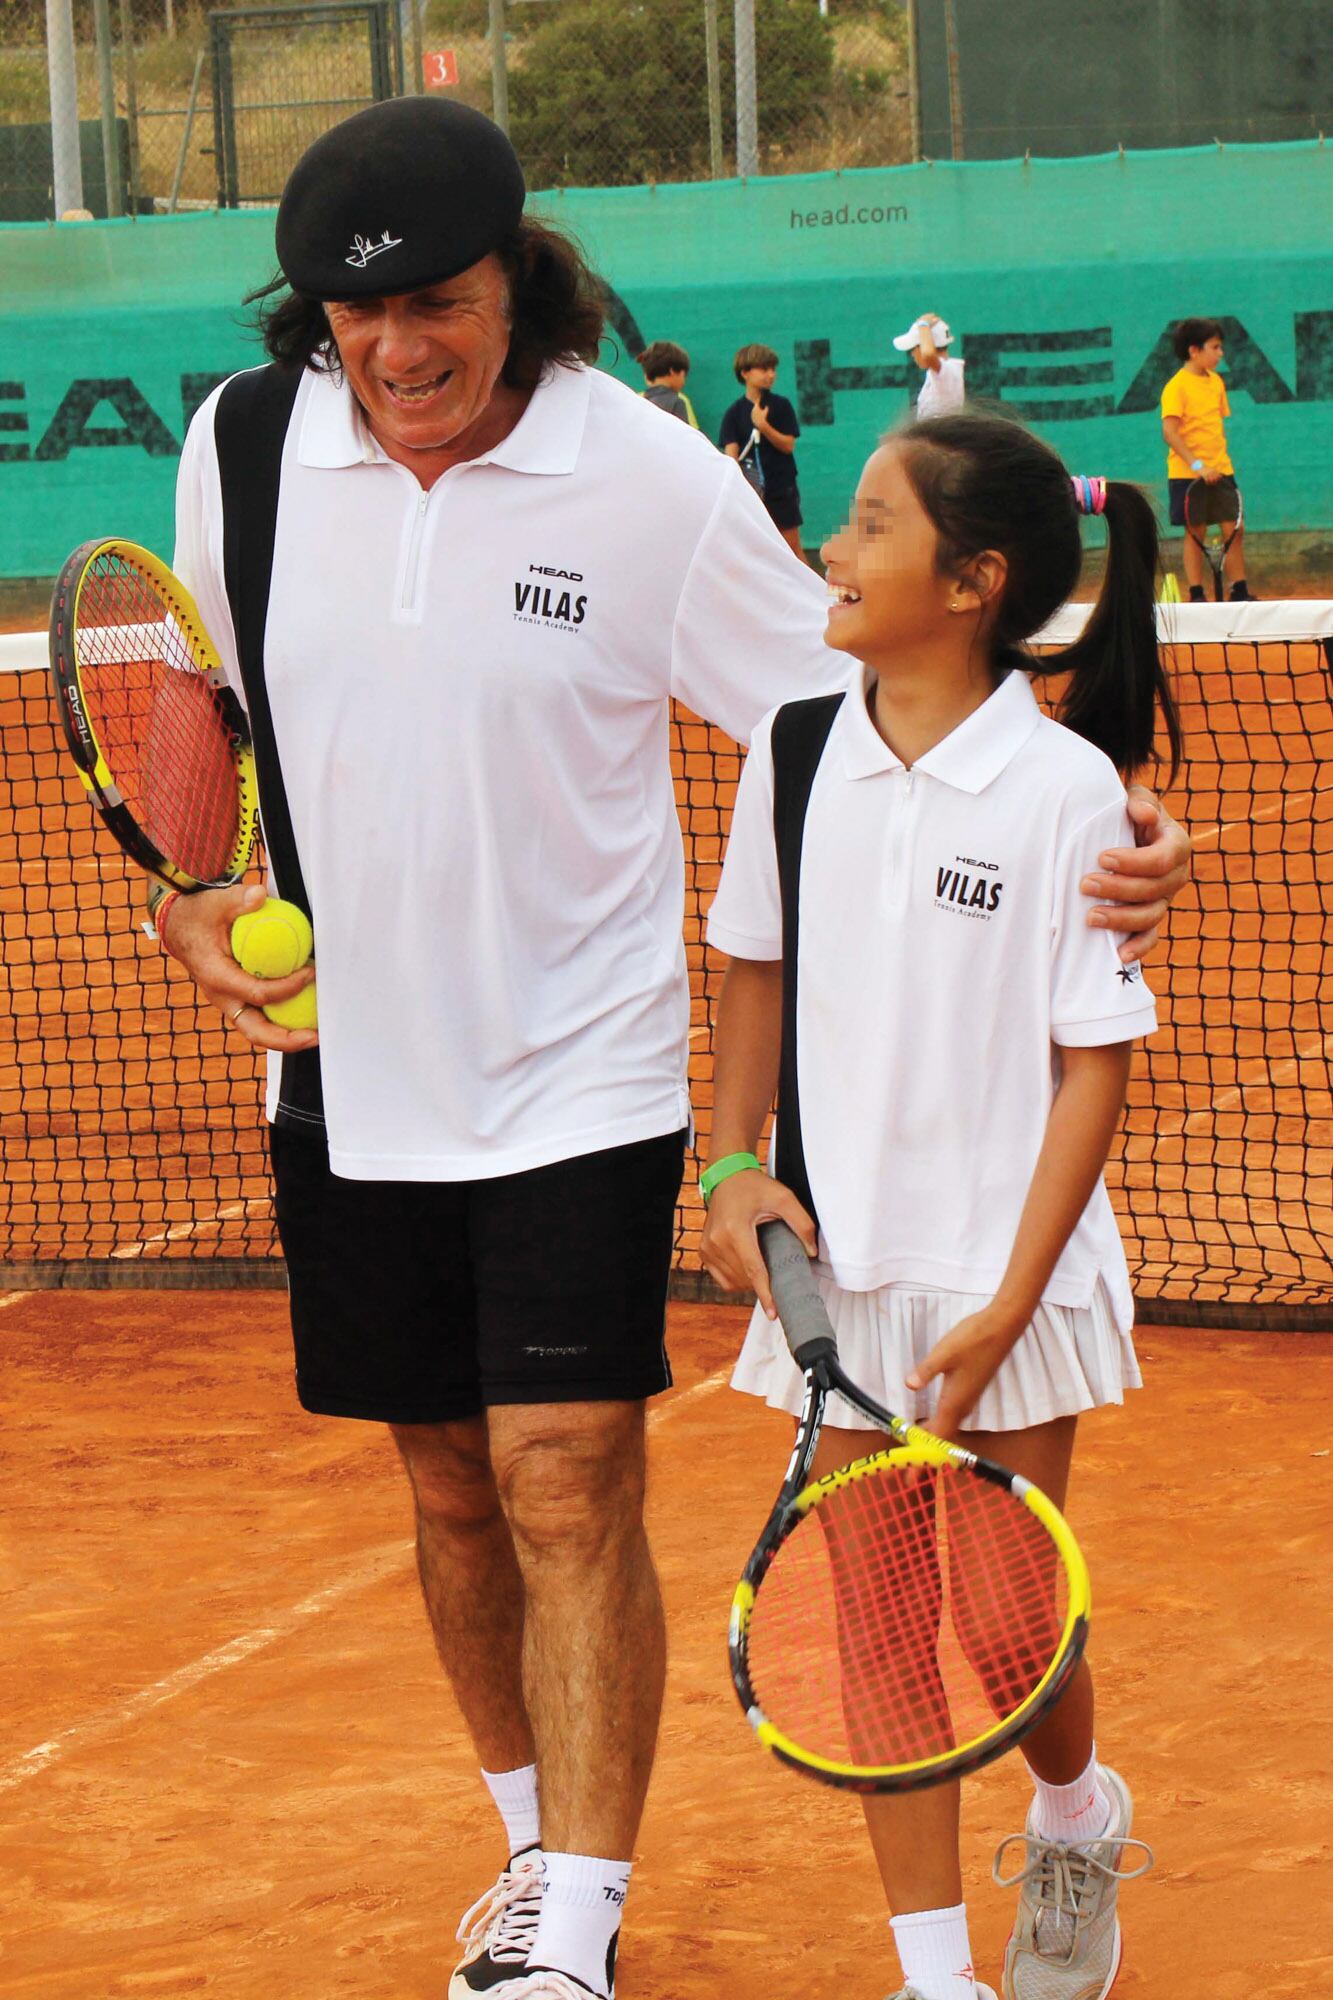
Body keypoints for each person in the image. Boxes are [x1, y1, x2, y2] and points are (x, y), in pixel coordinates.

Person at [151, 94, 1190, 2000]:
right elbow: (199, 693)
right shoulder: (238, 447)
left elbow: (863, 702)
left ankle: (579, 1922)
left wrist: (1102, 824)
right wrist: (190, 884)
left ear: (517, 284)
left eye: (436, 309)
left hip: (584, 1073)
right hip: (344, 1082)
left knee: (561, 1469)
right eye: (345, 324)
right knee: (449, 1488)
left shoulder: (642, 480)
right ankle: (528, 1852)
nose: (393, 356)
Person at [699, 417, 1171, 2000]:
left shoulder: (1065, 793)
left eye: (867, 526)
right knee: (885, 1627)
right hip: (842, 1278)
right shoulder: (792, 749)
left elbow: (1090, 1070)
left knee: (1010, 1634)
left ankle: (1073, 1809)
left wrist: (1014, 1299)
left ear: (970, 584)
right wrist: (729, 1157)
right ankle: (935, 1978)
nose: (830, 551)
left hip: (1006, 1279)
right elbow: (750, 968)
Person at [1160, 318, 1251, 602]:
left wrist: (1215, 465)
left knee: (1234, 528)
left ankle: (1240, 590)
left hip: (1221, 469)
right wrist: (1198, 466)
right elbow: (1170, 433)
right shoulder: (1176, 387)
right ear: (1194, 350)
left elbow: (1212, 427)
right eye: (1215, 347)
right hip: (1188, 474)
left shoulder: (1216, 383)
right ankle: (1197, 594)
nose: (1221, 353)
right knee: (1195, 532)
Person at [718, 342, 808, 563]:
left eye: (773, 369)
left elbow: (788, 445)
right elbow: (731, 457)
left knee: (792, 549)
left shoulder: (782, 406)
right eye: (764, 369)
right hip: (751, 495)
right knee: (754, 553)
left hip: (782, 489)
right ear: (745, 373)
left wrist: (763, 425)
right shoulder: (733, 413)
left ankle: (816, 597)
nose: (771, 374)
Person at [894, 313, 966, 420]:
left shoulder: (950, 371)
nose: (912, 354)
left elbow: (928, 355)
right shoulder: (939, 372)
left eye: (913, 349)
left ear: (922, 347)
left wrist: (923, 325)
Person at [637, 339, 700, 427]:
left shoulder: (636, 402)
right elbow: (685, 437)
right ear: (672, 371)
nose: (684, 381)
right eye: (683, 375)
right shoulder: (677, 402)